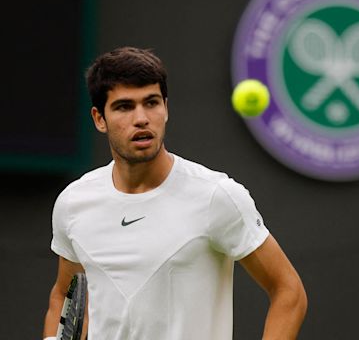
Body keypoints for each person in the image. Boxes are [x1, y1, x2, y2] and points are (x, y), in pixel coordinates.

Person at [42, 46, 307, 340]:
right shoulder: (73, 203)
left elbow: (288, 291)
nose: (141, 118)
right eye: (124, 107)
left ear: (165, 108)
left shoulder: (216, 196)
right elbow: (64, 297)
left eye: (151, 103)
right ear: (99, 119)